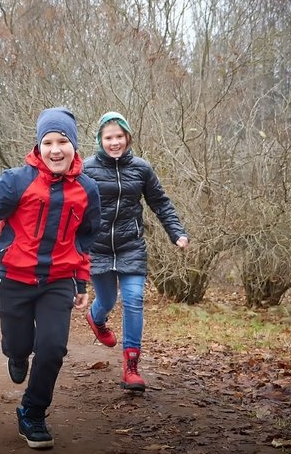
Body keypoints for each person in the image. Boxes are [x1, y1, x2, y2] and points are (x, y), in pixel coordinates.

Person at [0, 107, 101, 449]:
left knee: (52, 348)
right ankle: (17, 353)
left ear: (74, 146)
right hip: (15, 279)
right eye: (48, 142)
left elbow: (86, 237)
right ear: (38, 146)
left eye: (63, 141)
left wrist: (81, 280)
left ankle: (33, 413)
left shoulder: (88, 189)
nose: (56, 149)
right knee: (19, 344)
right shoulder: (15, 181)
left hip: (58, 280)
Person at [82, 111, 189, 393]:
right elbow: (71, 204)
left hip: (131, 245)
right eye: (109, 137)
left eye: (119, 136)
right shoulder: (86, 169)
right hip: (99, 248)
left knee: (133, 299)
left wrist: (176, 232)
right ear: (100, 140)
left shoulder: (141, 168)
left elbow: (160, 202)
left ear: (128, 137)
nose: (115, 142)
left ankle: (131, 367)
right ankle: (96, 317)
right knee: (106, 299)